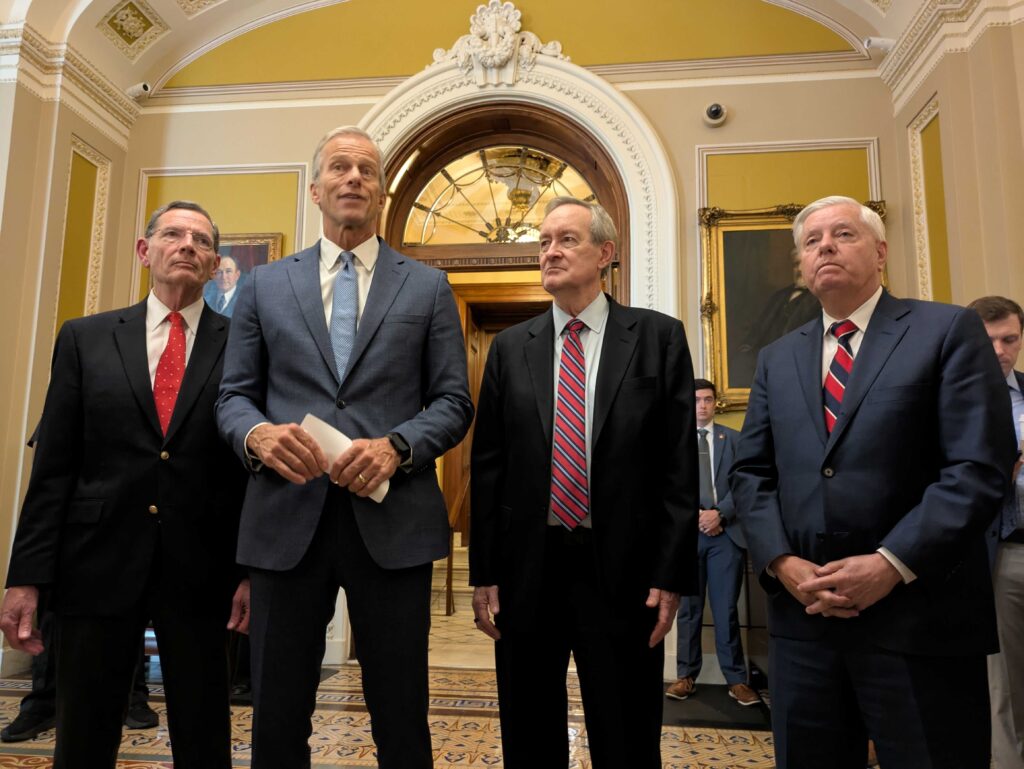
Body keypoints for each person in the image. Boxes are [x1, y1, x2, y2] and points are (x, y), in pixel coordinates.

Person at [216, 125, 473, 769]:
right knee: (276, 712)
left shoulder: (428, 287)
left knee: (401, 712)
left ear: (382, 192)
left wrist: (397, 446)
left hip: (392, 524)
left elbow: (453, 402)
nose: (353, 177)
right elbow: (232, 396)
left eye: (366, 169)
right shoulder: (264, 285)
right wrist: (258, 433)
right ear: (316, 188)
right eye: (339, 167)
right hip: (285, 520)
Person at [730, 195, 1016, 769]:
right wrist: (782, 563)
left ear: (881, 252)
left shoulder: (945, 329)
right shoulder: (778, 358)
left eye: (843, 234)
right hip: (804, 623)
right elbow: (750, 472)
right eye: (811, 242)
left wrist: (890, 562)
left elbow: (978, 467)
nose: (825, 247)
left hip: (917, 622)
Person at [0, 200, 250, 768]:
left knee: (205, 736)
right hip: (95, 562)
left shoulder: (244, 344)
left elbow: (248, 471)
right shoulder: (84, 338)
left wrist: (250, 571)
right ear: (145, 251)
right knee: (84, 735)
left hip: (204, 570)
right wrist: (26, 578)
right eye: (173, 234)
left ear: (214, 264)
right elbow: (54, 468)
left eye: (202, 240)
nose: (187, 244)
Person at [470, 197, 698, 768]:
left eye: (566, 239)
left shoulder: (657, 338)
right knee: (528, 732)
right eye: (544, 241)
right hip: (529, 572)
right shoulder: (508, 349)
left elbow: (677, 468)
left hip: (625, 574)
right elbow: (489, 466)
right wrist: (485, 573)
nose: (550, 251)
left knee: (625, 734)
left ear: (606, 253)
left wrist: (671, 575)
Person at [667, 378, 759, 706]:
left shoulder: (733, 440)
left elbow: (746, 484)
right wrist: (696, 517)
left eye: (707, 400)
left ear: (715, 403)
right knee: (688, 610)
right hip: (687, 538)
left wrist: (720, 513)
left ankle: (736, 680)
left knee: (725, 609)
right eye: (696, 400)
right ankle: (685, 676)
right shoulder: (673, 443)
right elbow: (668, 488)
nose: (702, 406)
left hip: (726, 535)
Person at [968, 295, 1024, 769]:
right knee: (1004, 679)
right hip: (998, 552)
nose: (1002, 350)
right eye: (990, 342)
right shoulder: (952, 397)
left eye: (1011, 340)